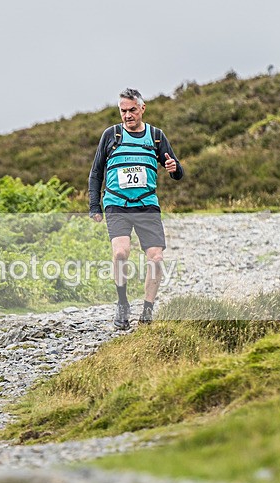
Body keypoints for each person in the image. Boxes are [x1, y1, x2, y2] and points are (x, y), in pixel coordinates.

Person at [88, 88, 184, 329]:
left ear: (142, 108)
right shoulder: (111, 135)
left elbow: (176, 170)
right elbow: (96, 172)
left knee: (157, 258)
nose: (128, 115)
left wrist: (174, 168)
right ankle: (122, 304)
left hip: (146, 205)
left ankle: (148, 311)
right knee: (120, 253)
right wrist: (94, 205)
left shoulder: (156, 136)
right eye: (123, 111)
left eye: (132, 110)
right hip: (117, 203)